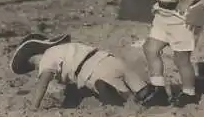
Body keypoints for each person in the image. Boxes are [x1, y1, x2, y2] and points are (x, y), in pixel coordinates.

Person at [10, 33, 159, 110]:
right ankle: (150, 93)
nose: (37, 69)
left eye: (34, 66)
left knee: (121, 98)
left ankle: (118, 96)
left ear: (32, 58)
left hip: (95, 72)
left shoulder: (46, 59)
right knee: (143, 91)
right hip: (110, 59)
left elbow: (43, 83)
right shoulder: (65, 49)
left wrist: (34, 106)